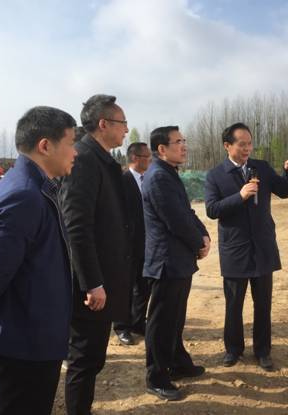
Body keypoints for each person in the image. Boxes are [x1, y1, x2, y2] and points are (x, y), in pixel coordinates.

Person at [0, 106, 77, 415]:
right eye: (71, 143)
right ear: (45, 145)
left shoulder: (34, 185)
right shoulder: (23, 193)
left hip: (34, 330)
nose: (75, 152)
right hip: (23, 338)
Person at [204, 122, 288, 371]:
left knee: (263, 304)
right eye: (242, 144)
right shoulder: (216, 175)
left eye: (250, 143)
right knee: (234, 305)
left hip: (263, 248)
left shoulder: (262, 168)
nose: (247, 148)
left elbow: (285, 191)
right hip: (235, 250)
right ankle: (233, 350)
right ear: (227, 146)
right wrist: (240, 196)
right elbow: (212, 209)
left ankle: (263, 351)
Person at [59, 94, 133, 415]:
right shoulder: (84, 160)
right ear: (104, 124)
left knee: (92, 357)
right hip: (90, 285)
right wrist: (92, 282)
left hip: (103, 277)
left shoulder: (99, 158)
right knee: (84, 358)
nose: (126, 129)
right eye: (122, 123)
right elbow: (76, 226)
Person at [143, 126, 210, 401]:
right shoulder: (158, 177)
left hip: (178, 259)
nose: (184, 146)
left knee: (175, 317)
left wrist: (203, 234)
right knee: (162, 321)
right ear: (162, 149)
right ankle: (156, 377)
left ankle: (178, 362)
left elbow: (187, 212)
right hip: (166, 261)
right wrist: (198, 242)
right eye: (178, 141)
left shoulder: (169, 173)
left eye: (184, 140)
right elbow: (175, 220)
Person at [113, 142, 153, 345]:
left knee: (144, 286)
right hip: (126, 245)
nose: (150, 160)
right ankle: (122, 326)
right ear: (135, 158)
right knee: (125, 288)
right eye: (147, 157)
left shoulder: (151, 180)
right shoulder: (121, 181)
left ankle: (138, 322)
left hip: (148, 243)